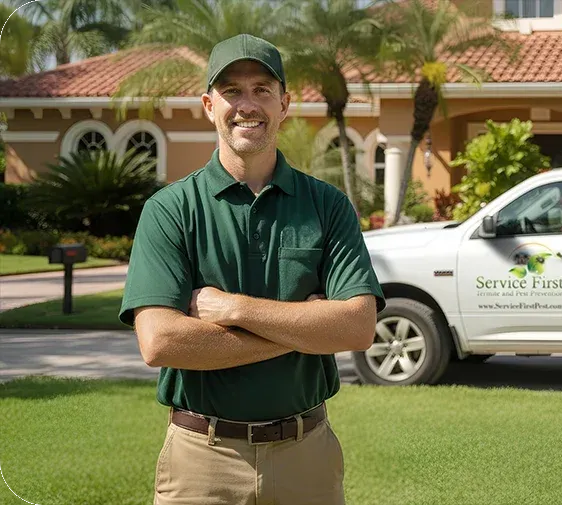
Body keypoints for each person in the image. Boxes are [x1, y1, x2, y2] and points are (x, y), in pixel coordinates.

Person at [119, 33, 385, 505]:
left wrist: (232, 309)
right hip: (202, 459)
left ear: (284, 104)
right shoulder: (170, 209)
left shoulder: (328, 206)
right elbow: (160, 342)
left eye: (262, 89)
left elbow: (358, 327)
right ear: (209, 105)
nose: (247, 105)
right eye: (232, 91)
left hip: (307, 455)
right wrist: (306, 327)